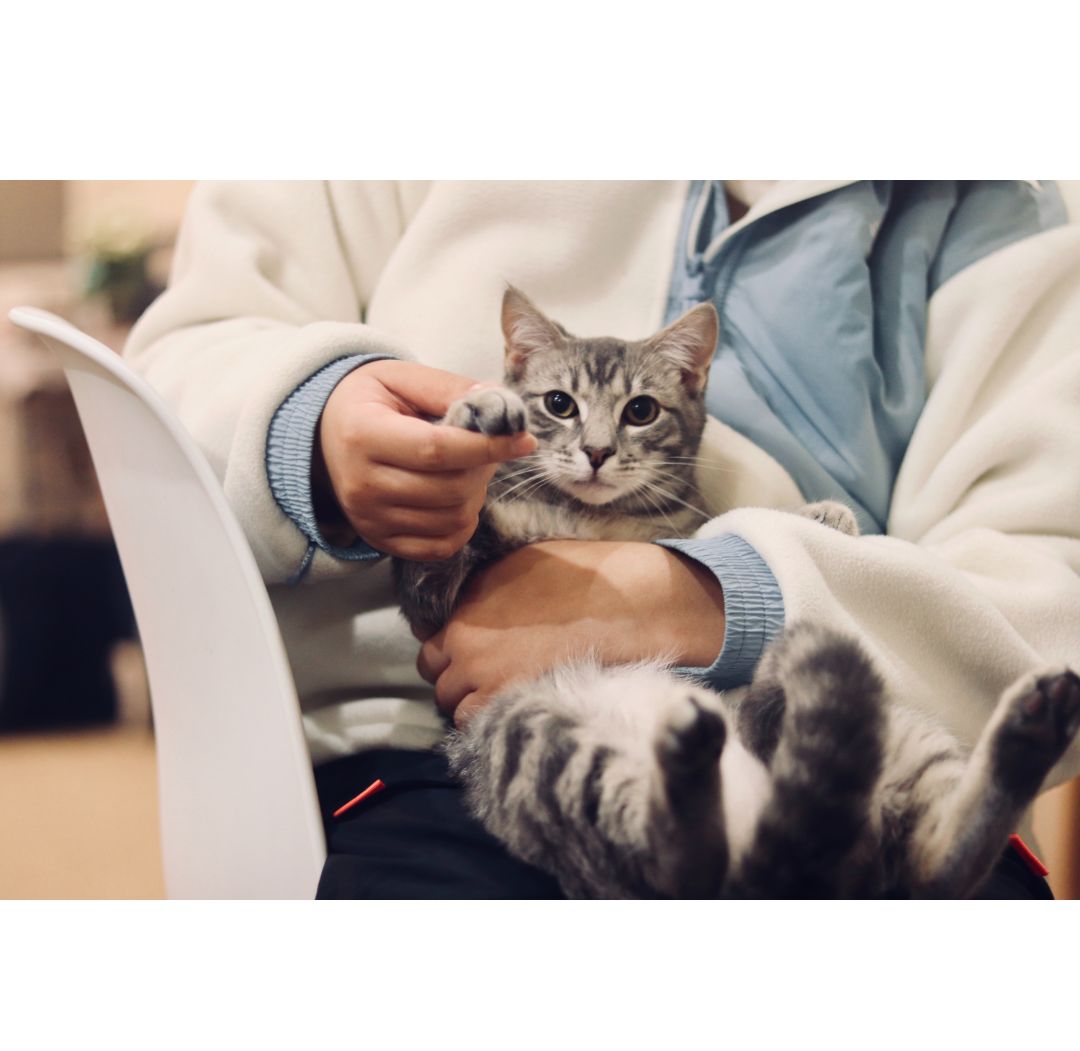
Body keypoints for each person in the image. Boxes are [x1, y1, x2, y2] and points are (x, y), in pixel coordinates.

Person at [125, 180, 1080, 899]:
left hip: (820, 739)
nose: (587, 447)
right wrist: (319, 421)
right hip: (422, 745)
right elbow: (179, 360)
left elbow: (1050, 589)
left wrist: (712, 598)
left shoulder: (1009, 203)